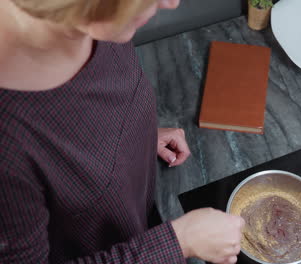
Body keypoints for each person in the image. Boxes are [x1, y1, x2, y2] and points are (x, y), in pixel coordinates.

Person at [0, 0, 245, 263]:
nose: (171, 3)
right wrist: (179, 242)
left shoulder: (95, 22)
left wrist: (135, 134)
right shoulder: (8, 146)